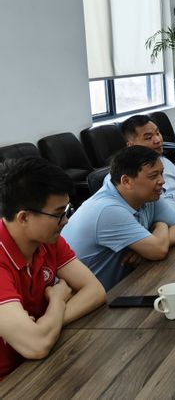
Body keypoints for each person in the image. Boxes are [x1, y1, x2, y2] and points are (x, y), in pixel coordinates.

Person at [0, 158, 106, 379]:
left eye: (66, 210)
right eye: (58, 213)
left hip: (40, 362)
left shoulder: (47, 240)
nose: (65, 220)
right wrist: (57, 300)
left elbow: (95, 291)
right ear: (24, 217)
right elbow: (36, 345)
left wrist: (47, 325)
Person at [61, 146, 175, 290]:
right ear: (127, 181)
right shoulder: (107, 209)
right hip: (91, 297)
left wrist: (146, 248)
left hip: (124, 284)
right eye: (153, 176)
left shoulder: (148, 195)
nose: (162, 181)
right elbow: (159, 250)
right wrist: (161, 225)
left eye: (161, 173)